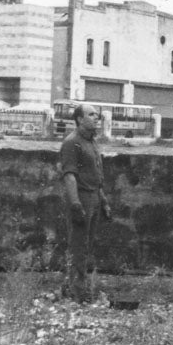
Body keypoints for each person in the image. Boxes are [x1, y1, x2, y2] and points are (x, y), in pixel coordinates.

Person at [59, 103, 111, 301]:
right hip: (81, 197)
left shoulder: (91, 142)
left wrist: (104, 201)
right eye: (91, 114)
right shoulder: (73, 143)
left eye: (96, 115)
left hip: (94, 196)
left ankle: (74, 288)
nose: (96, 117)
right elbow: (70, 175)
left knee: (87, 245)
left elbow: (96, 175)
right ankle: (78, 293)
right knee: (78, 246)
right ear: (79, 119)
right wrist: (75, 204)